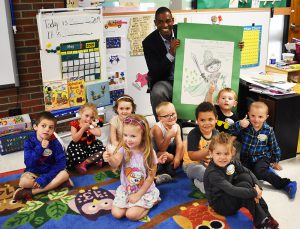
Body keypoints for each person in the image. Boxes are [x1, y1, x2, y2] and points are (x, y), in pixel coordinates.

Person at [204, 133, 279, 229]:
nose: (222, 157)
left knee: (246, 177)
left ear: (232, 153)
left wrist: (257, 187)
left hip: (229, 195)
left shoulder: (231, 161)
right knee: (245, 190)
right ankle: (262, 222)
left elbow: (247, 172)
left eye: (226, 153)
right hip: (220, 205)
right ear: (211, 153)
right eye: (218, 153)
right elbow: (232, 190)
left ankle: (266, 215)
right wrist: (253, 192)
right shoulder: (212, 173)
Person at [229, 101, 297, 199]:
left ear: (266, 117)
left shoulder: (268, 130)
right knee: (243, 173)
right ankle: (253, 182)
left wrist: (275, 161)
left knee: (259, 171)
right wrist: (239, 124)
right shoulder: (245, 125)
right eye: (253, 116)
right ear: (248, 114)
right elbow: (231, 130)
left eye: (260, 117)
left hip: (262, 157)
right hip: (246, 158)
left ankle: (287, 184)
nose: (256, 119)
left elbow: (274, 146)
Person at [103, 114, 160, 221]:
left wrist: (138, 195)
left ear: (143, 136)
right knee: (117, 214)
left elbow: (150, 177)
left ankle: (152, 201)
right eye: (125, 135)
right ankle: (135, 205)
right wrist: (110, 158)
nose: (128, 139)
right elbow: (115, 164)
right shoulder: (123, 148)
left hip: (144, 190)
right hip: (127, 189)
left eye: (133, 136)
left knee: (131, 215)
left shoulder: (149, 153)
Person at [13, 112, 72, 201]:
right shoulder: (29, 142)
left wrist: (46, 177)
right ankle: (56, 184)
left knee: (65, 174)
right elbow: (29, 163)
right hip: (34, 172)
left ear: (53, 130)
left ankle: (31, 192)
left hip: (50, 172)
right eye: (43, 126)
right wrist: (40, 148)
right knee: (23, 182)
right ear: (35, 126)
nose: (47, 129)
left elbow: (61, 163)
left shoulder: (55, 142)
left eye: (50, 127)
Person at [142, 7, 180, 120]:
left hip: (187, 80)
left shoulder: (184, 31)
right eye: (160, 22)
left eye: (168, 21)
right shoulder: (149, 42)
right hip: (167, 81)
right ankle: (162, 128)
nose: (165, 25)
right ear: (155, 23)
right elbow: (155, 72)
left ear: (172, 20)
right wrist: (171, 53)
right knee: (158, 92)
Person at [182, 102, 219, 193]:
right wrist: (208, 149)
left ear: (216, 119)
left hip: (209, 165)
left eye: (210, 119)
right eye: (202, 120)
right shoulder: (194, 134)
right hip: (191, 165)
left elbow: (218, 152)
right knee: (203, 171)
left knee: (223, 169)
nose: (206, 123)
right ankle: (209, 183)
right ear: (197, 121)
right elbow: (192, 156)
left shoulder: (216, 133)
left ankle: (202, 184)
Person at [66, 102, 105, 174]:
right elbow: (75, 139)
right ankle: (93, 160)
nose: (88, 119)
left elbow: (99, 134)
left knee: (103, 150)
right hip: (78, 146)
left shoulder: (93, 123)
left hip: (91, 145)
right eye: (86, 116)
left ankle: (85, 163)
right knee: (75, 156)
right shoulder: (75, 124)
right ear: (81, 113)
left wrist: (90, 128)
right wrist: (83, 129)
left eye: (91, 117)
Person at [151, 102, 183, 184]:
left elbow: (179, 144)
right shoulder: (157, 128)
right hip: (154, 153)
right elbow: (161, 149)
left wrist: (177, 157)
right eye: (166, 116)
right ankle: (157, 173)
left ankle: (166, 170)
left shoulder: (176, 126)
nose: (171, 117)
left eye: (173, 114)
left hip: (165, 152)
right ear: (160, 118)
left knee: (181, 150)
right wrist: (168, 136)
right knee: (166, 155)